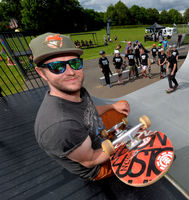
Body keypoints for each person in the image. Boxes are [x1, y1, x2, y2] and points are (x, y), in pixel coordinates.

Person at [30, 32, 130, 181]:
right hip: (98, 166)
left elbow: (88, 111)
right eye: (57, 67)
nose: (71, 73)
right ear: (42, 73)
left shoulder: (75, 90)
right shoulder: (60, 126)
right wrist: (128, 143)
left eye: (75, 63)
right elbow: (90, 160)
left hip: (96, 139)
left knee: (121, 110)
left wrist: (113, 106)